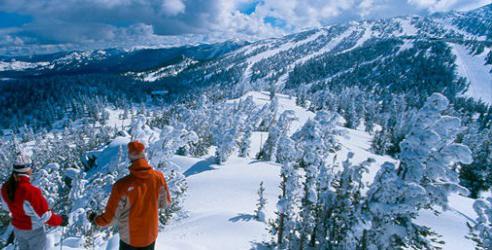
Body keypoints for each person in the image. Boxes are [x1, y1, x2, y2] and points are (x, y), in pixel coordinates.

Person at [88, 141, 171, 250]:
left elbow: (111, 218)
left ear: (130, 156)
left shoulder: (122, 185)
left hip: (130, 239)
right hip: (150, 236)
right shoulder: (158, 178)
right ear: (144, 154)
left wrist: (95, 219)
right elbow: (165, 203)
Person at [0, 152, 68, 250]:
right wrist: (61, 220)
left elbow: (6, 207)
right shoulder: (31, 191)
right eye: (31, 167)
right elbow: (45, 216)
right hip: (34, 231)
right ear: (27, 170)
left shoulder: (5, 187)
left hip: (18, 230)